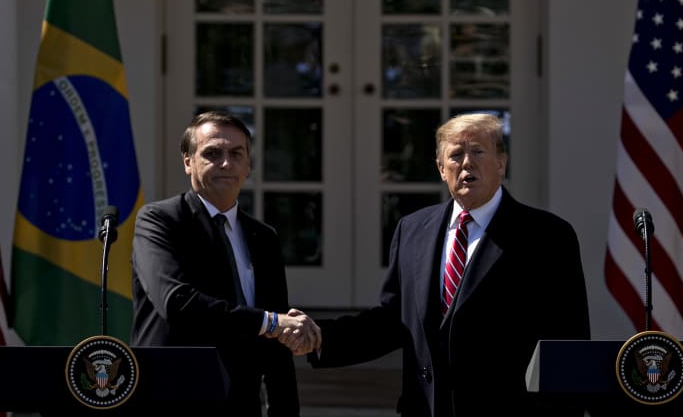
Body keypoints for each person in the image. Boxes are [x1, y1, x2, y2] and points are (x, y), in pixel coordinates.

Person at [308, 113, 590, 416]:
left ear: (501, 163)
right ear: (442, 169)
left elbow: (568, 345)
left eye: (478, 152)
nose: (467, 163)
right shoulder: (413, 229)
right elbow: (394, 321)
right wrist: (319, 337)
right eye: (456, 155)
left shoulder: (547, 236)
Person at [131, 111, 320, 417]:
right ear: (188, 161)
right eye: (212, 153)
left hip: (240, 400)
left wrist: (285, 408)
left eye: (236, 153)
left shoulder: (263, 236)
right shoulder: (160, 221)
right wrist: (272, 322)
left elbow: (276, 344)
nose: (226, 163)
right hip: (171, 398)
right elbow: (177, 303)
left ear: (249, 165)